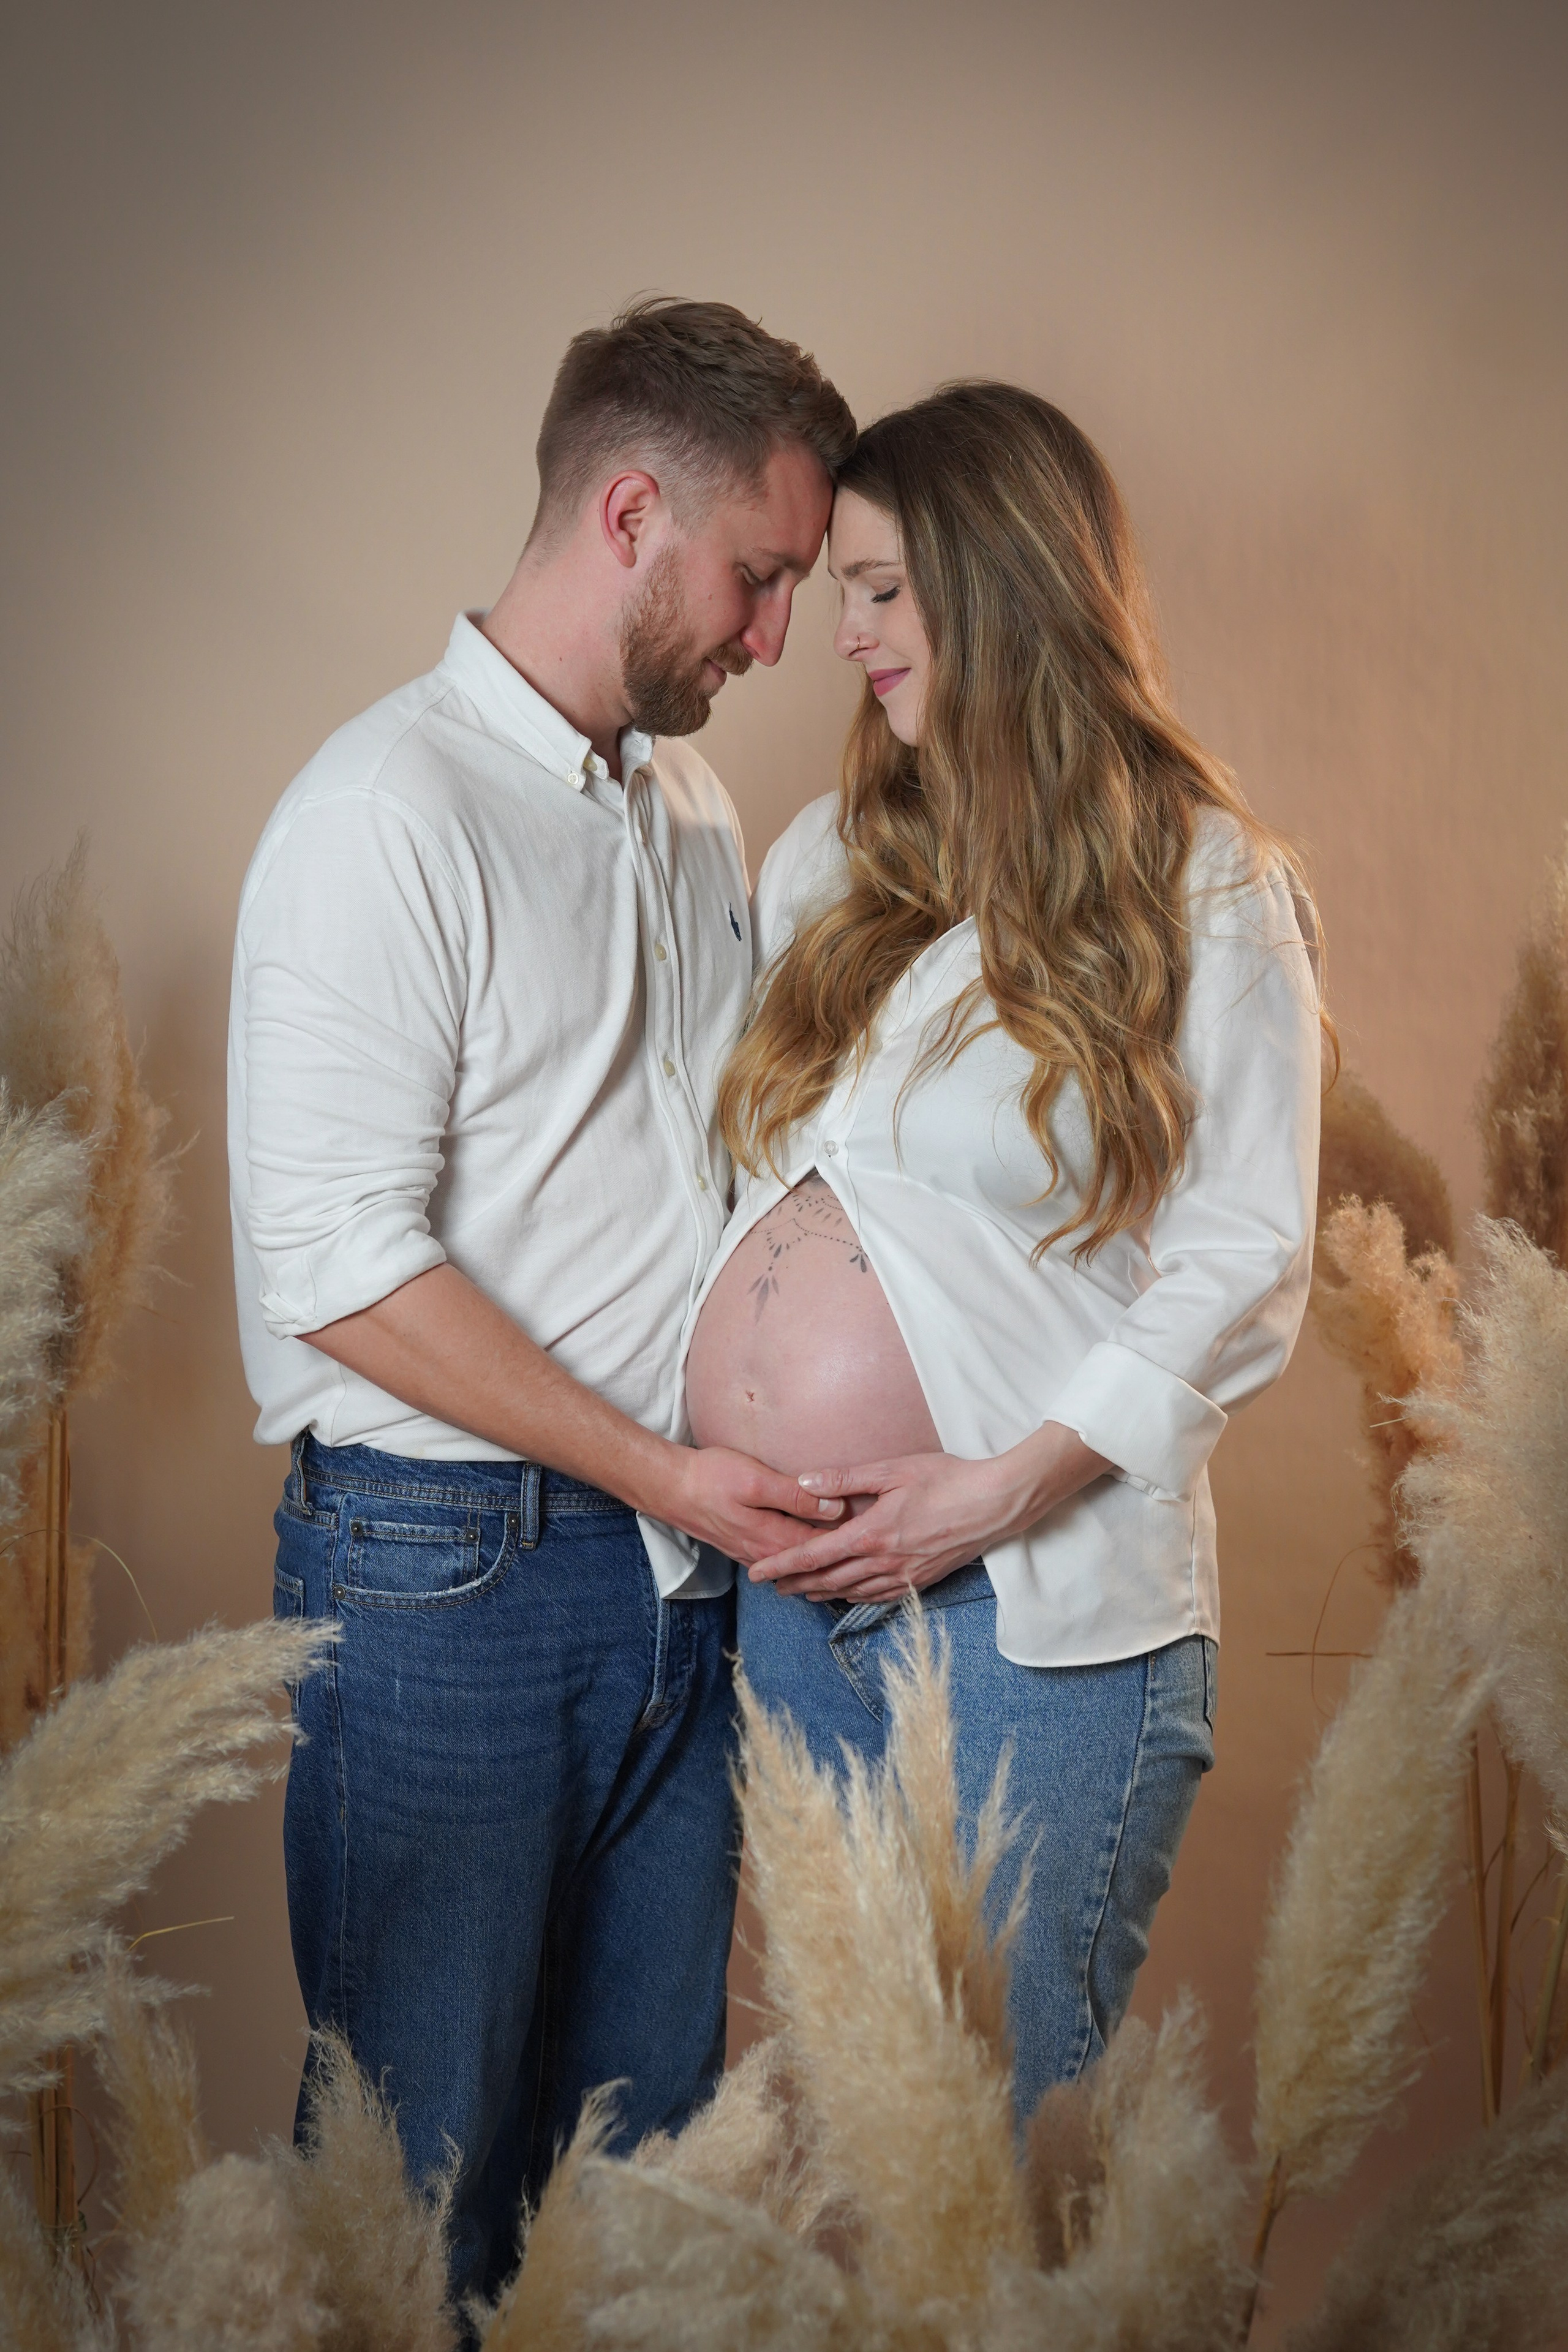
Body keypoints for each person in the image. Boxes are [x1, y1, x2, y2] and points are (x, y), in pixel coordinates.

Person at [227, 298, 856, 2304]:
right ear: (630, 514)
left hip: (682, 1576)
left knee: (636, 2205)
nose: (779, 637)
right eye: (759, 576)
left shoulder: (692, 814)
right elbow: (335, 1263)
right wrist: (665, 1475)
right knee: (409, 2204)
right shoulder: (382, 814)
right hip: (449, 1583)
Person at [685, 382, 1325, 2122]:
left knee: (1013, 2144)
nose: (847, 636)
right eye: (842, 592)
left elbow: (1247, 1255)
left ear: (1004, 582)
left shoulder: (1201, 882)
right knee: (866, 2133)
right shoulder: (830, 860)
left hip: (1029, 1609)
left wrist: (994, 1493)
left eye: (883, 590)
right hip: (798, 1601)